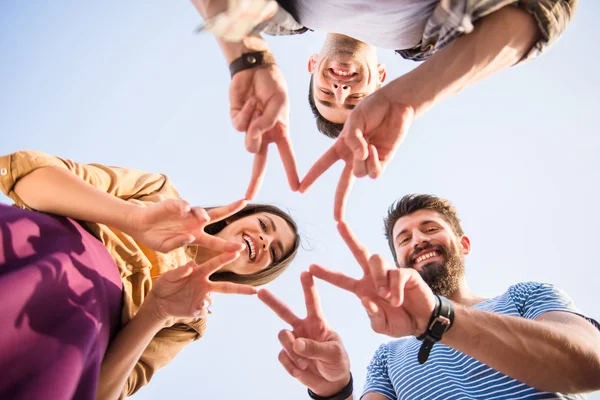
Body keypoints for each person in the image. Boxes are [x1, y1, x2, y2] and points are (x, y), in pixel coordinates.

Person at [192, 0, 577, 220]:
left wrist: (248, 59)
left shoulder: (274, 13)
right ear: (381, 77)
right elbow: (546, 8)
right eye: (355, 100)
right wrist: (405, 101)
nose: (341, 90)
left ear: (311, 68)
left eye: (326, 95)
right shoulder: (435, 37)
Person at [0, 150, 300, 400]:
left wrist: (156, 311)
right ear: (237, 217)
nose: (265, 241)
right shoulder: (160, 192)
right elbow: (24, 174)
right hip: (27, 245)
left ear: (260, 273)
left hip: (64, 338)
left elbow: (100, 393)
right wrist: (134, 219)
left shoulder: (189, 320)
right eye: (264, 226)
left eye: (274, 252)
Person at [259, 194, 600, 399]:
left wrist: (440, 319)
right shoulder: (388, 358)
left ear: (463, 245)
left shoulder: (526, 296)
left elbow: (592, 363)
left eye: (431, 228)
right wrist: (335, 392)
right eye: (404, 239)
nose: (418, 240)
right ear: (398, 263)